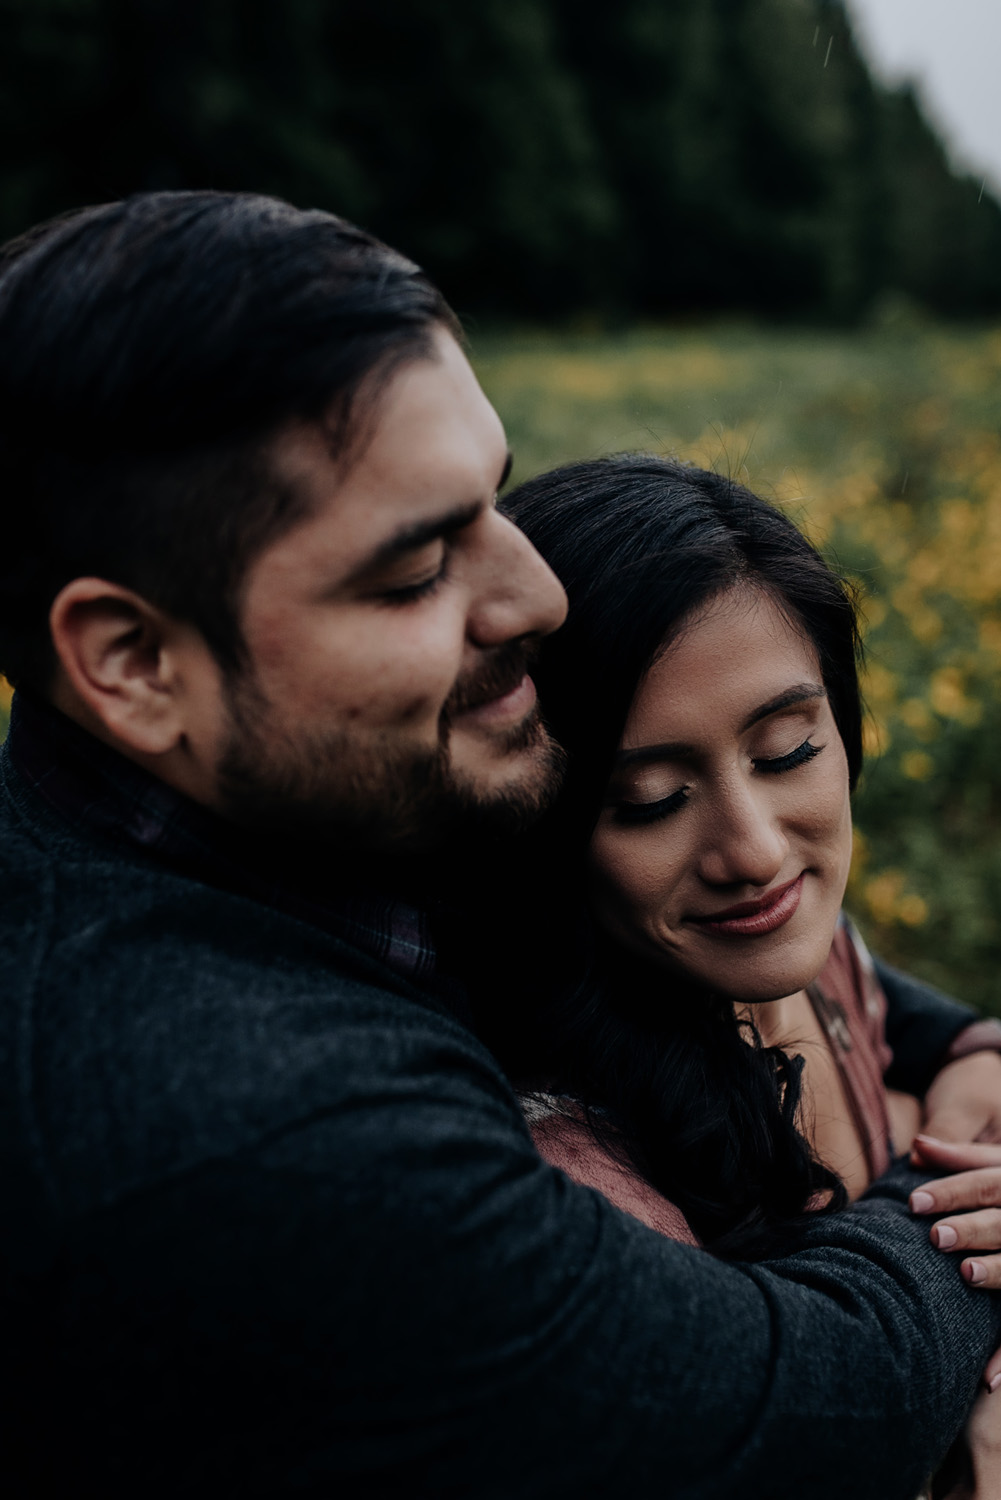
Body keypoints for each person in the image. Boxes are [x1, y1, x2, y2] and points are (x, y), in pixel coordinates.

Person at [0, 191, 1000, 1500]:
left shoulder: (287, 796)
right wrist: (961, 1217)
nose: (535, 596)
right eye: (418, 570)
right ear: (133, 662)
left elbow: (770, 939)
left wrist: (964, 1046)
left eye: (495, 500)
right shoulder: (247, 1116)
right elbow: (783, 1406)